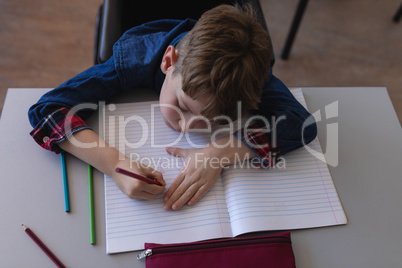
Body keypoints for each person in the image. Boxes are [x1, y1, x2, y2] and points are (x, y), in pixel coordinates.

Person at [28, 4, 317, 211]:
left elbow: (303, 123)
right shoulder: (137, 57)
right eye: (183, 105)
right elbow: (48, 110)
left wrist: (222, 149)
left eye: (212, 122)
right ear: (169, 62)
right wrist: (115, 165)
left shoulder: (250, 76)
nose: (187, 127)